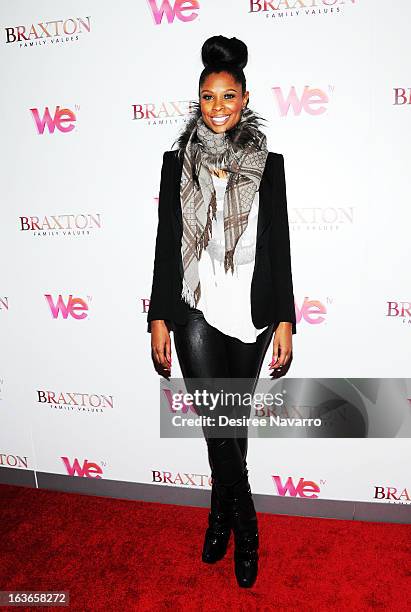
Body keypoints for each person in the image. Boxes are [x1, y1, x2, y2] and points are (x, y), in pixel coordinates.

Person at [147, 35, 297, 588]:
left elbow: (278, 247)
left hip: (252, 312)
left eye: (228, 97)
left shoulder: (268, 165)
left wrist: (284, 318)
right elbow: (167, 243)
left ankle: (218, 517)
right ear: (199, 100)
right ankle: (247, 527)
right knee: (218, 424)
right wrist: (159, 316)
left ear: (244, 98)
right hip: (195, 309)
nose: (217, 108)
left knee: (232, 430)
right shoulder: (177, 163)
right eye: (208, 97)